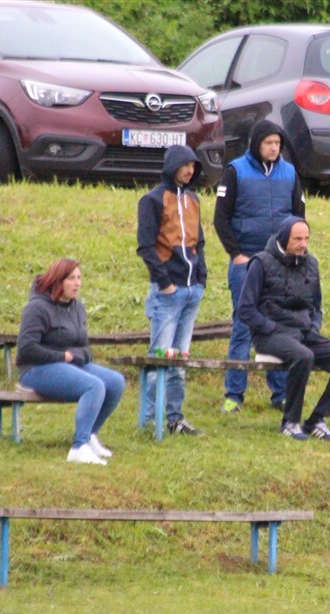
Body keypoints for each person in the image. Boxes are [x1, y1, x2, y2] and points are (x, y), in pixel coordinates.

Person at [237, 217, 330, 442]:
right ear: (284, 238)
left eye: (306, 238)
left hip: (304, 332)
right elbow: (245, 309)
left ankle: (317, 419)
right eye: (297, 239)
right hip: (270, 335)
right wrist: (269, 326)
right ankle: (290, 421)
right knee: (304, 356)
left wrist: (314, 326)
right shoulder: (261, 263)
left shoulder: (311, 263)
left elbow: (316, 306)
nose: (303, 244)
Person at [214, 120, 305, 414]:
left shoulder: (289, 172)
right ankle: (233, 394)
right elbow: (221, 218)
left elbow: (297, 216)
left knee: (277, 327)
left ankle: (279, 393)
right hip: (246, 261)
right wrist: (236, 253)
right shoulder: (235, 171)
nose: (274, 148)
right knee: (243, 326)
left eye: (278, 143)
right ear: (256, 144)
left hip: (279, 264)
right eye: (269, 143)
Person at [17, 258, 125, 465]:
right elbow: (26, 349)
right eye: (71, 279)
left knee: (115, 381)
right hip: (37, 369)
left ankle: (91, 434)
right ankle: (79, 447)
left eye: (79, 278)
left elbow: (83, 345)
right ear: (58, 281)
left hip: (70, 365)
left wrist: (79, 356)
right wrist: (62, 356)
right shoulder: (37, 308)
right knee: (93, 385)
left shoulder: (78, 308)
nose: (77, 284)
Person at [137, 144, 208, 436]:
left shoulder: (193, 199)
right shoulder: (152, 200)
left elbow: (199, 242)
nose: (190, 170)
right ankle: (150, 420)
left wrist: (201, 278)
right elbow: (146, 246)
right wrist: (164, 282)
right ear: (172, 166)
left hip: (192, 291)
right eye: (185, 164)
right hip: (167, 292)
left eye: (193, 166)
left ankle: (175, 417)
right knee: (159, 359)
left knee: (180, 361)